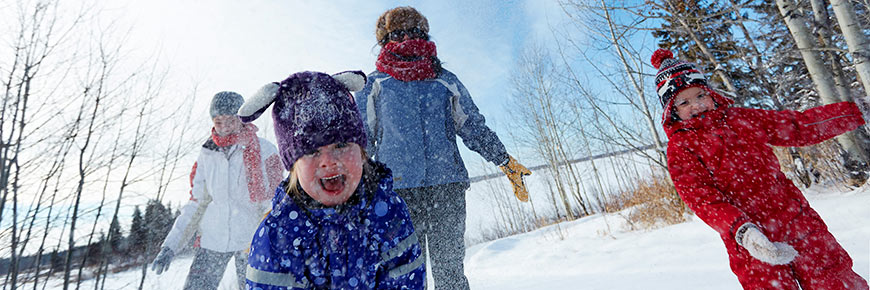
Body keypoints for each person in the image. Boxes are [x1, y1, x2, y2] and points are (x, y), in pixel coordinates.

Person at [654, 48, 869, 289]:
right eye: (684, 102)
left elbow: (798, 126)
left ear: (711, 93)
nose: (697, 105)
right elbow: (702, 199)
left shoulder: (741, 118)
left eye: (701, 95)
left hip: (795, 218)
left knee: (834, 279)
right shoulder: (681, 147)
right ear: (671, 110)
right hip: (749, 237)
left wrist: (856, 112)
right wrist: (741, 230)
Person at [354, 6, 532, 289]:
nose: (409, 39)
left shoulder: (444, 80)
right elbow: (359, 142)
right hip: (399, 195)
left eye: (414, 32)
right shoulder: (375, 85)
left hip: (443, 191)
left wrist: (503, 159)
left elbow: (471, 125)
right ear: (389, 38)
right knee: (406, 276)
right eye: (402, 33)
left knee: (442, 274)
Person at [240, 71, 425, 289]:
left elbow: (407, 279)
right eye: (311, 152)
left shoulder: (388, 214)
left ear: (362, 152)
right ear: (294, 168)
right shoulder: (278, 233)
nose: (328, 161)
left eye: (341, 146)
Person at [150, 91, 285, 290]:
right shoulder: (206, 153)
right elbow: (196, 203)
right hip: (212, 241)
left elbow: (275, 204)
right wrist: (170, 246)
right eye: (218, 121)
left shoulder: (266, 151)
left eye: (230, 120)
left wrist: (275, 244)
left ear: (241, 119)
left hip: (251, 242)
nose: (224, 128)